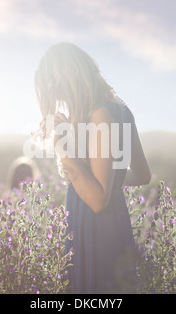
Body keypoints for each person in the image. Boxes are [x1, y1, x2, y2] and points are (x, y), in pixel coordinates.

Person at [34, 42, 151, 293]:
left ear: (68, 78)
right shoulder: (121, 111)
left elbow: (98, 200)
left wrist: (63, 148)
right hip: (112, 220)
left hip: (96, 226)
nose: (59, 100)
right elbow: (142, 175)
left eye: (57, 90)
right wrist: (106, 178)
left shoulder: (99, 115)